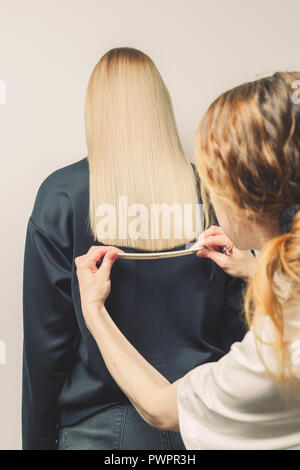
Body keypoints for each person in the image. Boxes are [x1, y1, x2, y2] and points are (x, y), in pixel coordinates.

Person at [22, 47, 249, 450]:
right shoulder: (211, 193)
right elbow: (239, 324)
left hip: (99, 427)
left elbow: (46, 345)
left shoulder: (61, 196)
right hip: (199, 417)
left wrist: (37, 442)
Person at [75, 71, 300, 450]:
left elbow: (160, 410)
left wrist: (94, 311)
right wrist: (255, 266)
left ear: (241, 204)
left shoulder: (272, 358)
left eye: (212, 183)